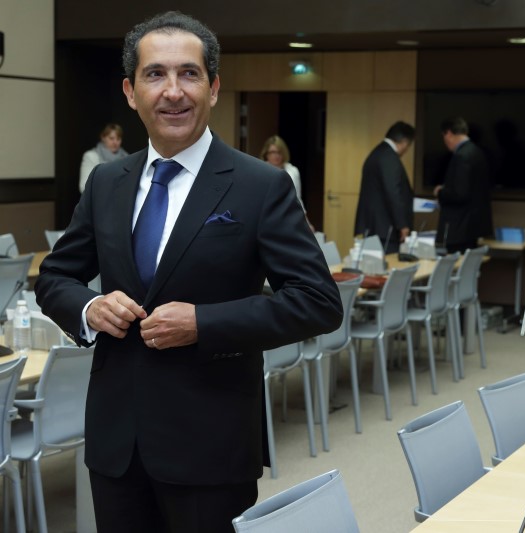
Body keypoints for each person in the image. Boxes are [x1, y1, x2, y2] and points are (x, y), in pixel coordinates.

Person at [35, 11, 342, 532]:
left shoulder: (260, 185)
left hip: (212, 442)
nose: (172, 91)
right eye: (155, 74)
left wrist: (204, 323)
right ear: (131, 92)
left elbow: (318, 300)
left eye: (189, 74)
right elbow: (55, 277)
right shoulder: (106, 183)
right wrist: (89, 307)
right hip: (116, 443)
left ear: (214, 88)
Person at [354, 121, 415, 254]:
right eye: (408, 145)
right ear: (404, 142)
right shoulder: (389, 157)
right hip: (384, 228)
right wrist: (402, 224)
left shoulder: (378, 153)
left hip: (375, 227)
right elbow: (393, 192)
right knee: (385, 269)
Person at [434, 117, 494, 253]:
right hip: (473, 226)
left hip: (459, 227)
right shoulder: (477, 152)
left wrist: (440, 192)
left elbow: (460, 193)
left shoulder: (462, 156)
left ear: (448, 134)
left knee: (454, 269)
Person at [79, 123, 129, 193]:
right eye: (111, 138)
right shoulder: (91, 156)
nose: (115, 142)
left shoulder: (127, 159)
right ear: (103, 137)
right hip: (98, 201)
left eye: (118, 139)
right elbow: (84, 187)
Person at [260, 135, 301, 203]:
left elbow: (298, 197)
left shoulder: (293, 171)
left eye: (279, 152)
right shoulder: (260, 171)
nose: (276, 155)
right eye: (273, 152)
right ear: (266, 154)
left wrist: (303, 212)